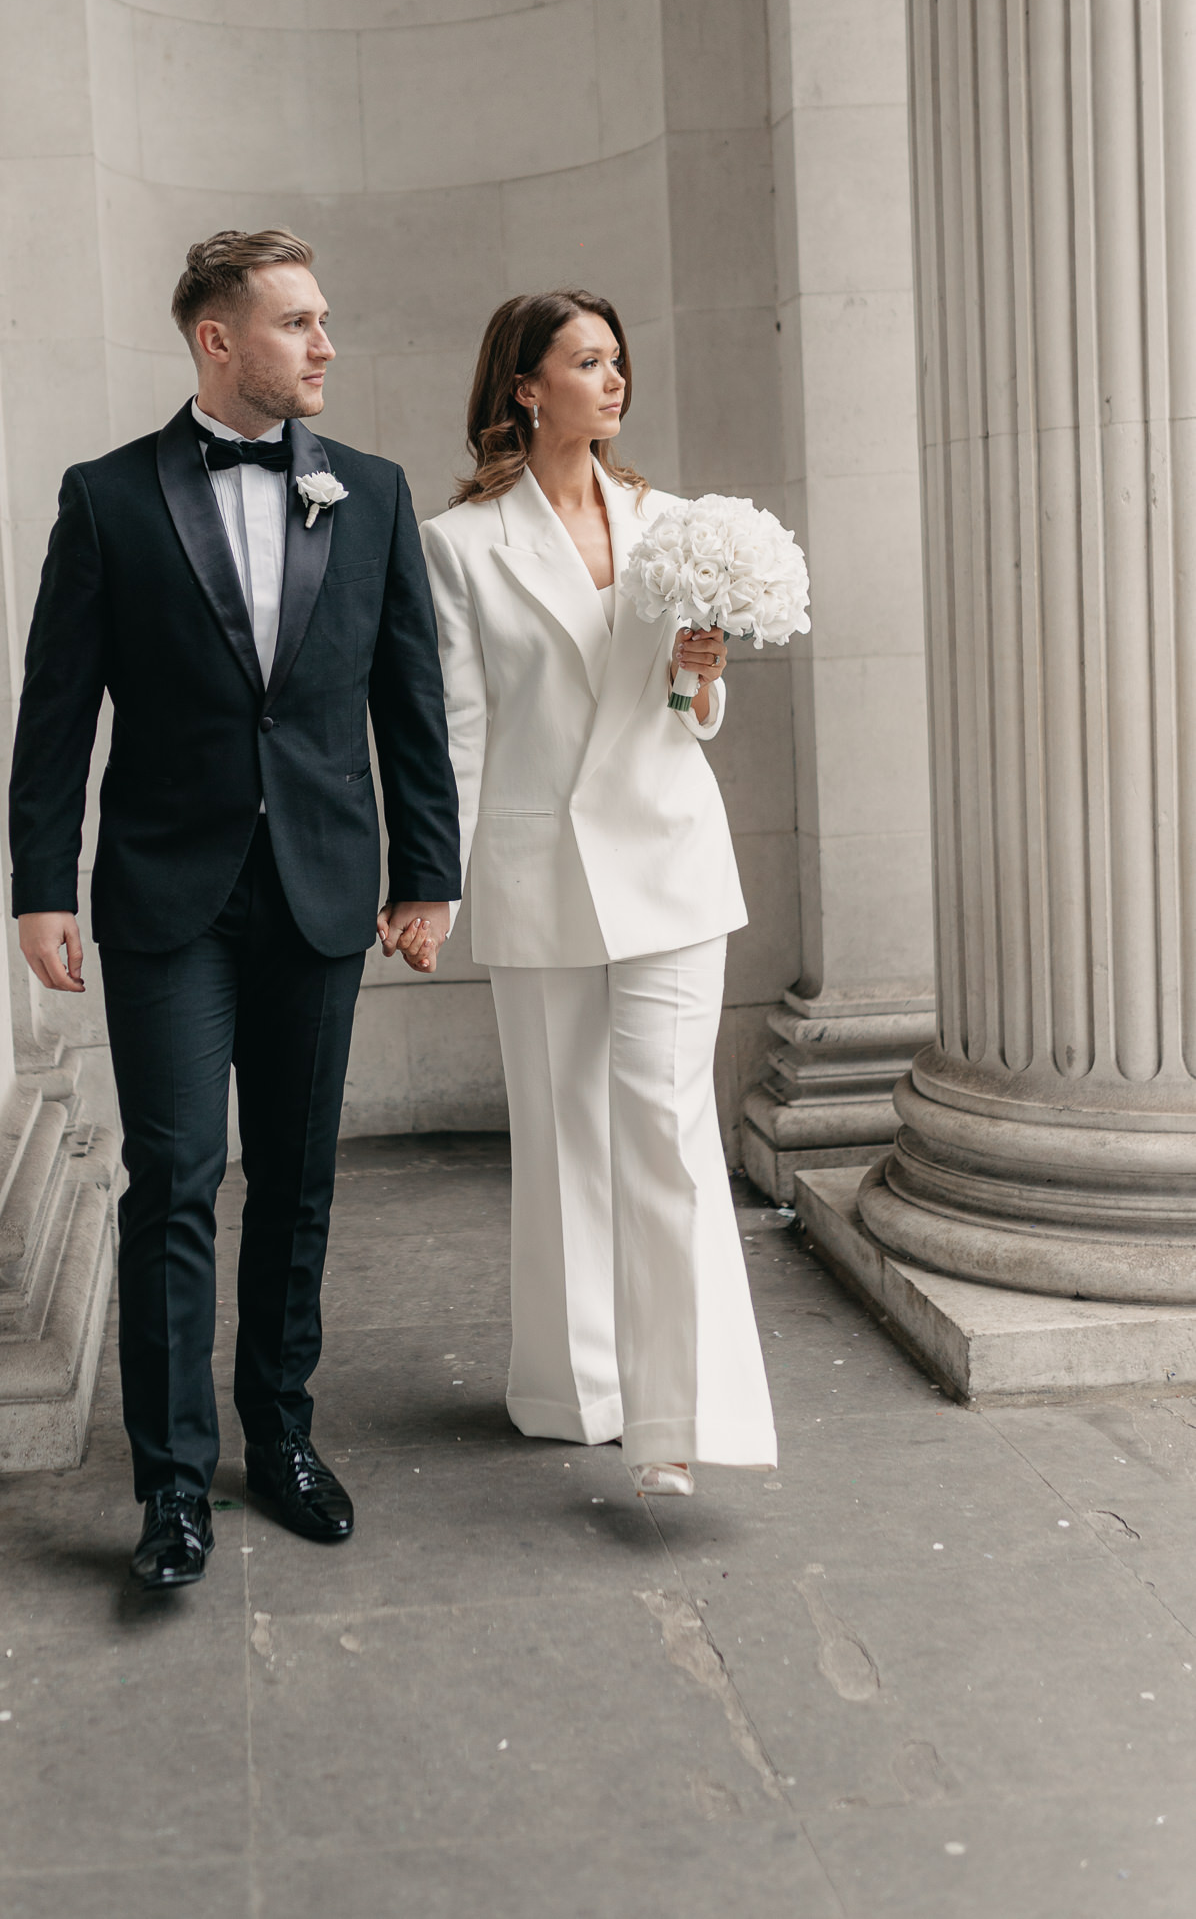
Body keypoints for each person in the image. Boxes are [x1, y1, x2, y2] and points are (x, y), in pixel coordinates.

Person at [9, 229, 459, 1591]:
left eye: (324, 320)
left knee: (301, 1178)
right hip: (164, 900)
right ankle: (170, 1487)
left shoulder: (369, 493)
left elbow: (411, 702)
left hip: (322, 889)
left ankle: (282, 1435)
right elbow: (54, 712)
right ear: (218, 340)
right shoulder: (108, 498)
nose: (325, 344)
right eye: (298, 322)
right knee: (177, 1177)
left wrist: (424, 870)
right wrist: (41, 886)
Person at [421, 290, 776, 1494]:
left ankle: (673, 1424)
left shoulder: (674, 524)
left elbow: (691, 720)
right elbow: (459, 728)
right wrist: (433, 882)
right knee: (563, 1137)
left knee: (668, 1132)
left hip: (670, 859)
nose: (614, 381)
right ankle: (572, 1390)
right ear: (525, 386)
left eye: (618, 361)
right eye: (587, 361)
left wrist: (700, 674)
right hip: (538, 872)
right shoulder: (457, 545)